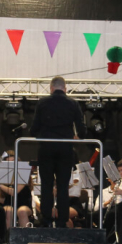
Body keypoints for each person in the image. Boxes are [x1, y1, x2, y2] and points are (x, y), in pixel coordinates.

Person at [30, 76, 85, 228]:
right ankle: (62, 220)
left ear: (51, 88)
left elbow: (34, 126)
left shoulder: (42, 102)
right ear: (65, 88)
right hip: (65, 148)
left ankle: (46, 219)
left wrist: (37, 133)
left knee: (46, 185)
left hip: (46, 147)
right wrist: (78, 136)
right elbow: (81, 127)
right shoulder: (73, 103)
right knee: (62, 186)